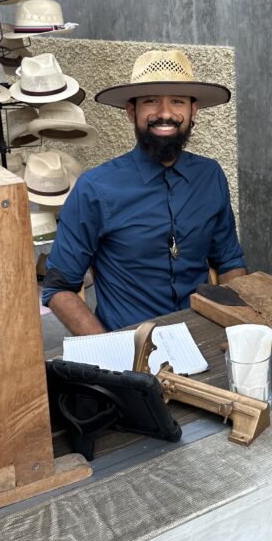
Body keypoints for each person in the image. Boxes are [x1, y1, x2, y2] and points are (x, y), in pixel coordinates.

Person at [42, 49, 247, 334]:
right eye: (151, 101)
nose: (165, 113)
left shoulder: (210, 175)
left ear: (193, 111)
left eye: (177, 101)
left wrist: (236, 329)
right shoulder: (95, 188)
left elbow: (229, 262)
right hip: (130, 346)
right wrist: (114, 354)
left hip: (203, 334)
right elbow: (59, 288)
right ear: (131, 111)